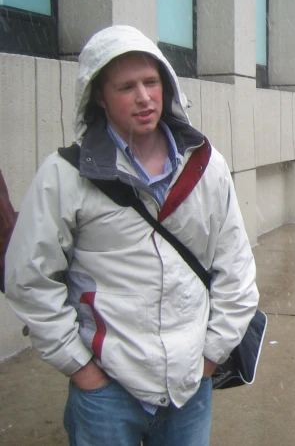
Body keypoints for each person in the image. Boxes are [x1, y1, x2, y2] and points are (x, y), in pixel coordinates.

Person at [5, 25, 259, 445]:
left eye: (151, 82)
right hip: (106, 398)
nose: (144, 97)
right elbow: (27, 277)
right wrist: (82, 370)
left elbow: (236, 268)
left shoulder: (206, 166)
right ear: (99, 98)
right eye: (126, 87)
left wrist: (210, 358)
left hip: (190, 392)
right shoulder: (65, 175)